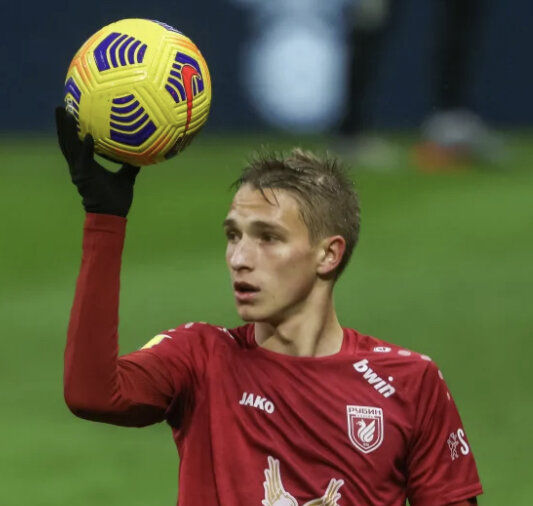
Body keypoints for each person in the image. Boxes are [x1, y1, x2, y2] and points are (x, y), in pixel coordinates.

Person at [56, 106, 483, 505]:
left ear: (328, 254)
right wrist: (104, 219)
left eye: (268, 238)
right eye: (233, 236)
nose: (239, 258)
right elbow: (93, 395)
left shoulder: (409, 383)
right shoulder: (201, 359)